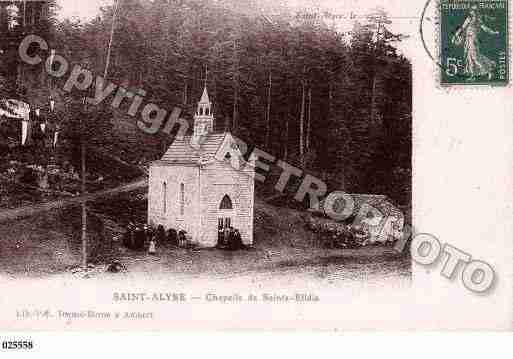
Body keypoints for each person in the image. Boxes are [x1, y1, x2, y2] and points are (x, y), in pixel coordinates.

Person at [452, 7, 500, 80]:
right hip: (468, 40)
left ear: (476, 11)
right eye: (472, 10)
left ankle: (489, 70)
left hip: (473, 39)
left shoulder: (478, 19)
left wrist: (493, 32)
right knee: (469, 58)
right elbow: (462, 27)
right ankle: (472, 75)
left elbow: (485, 28)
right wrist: (456, 35)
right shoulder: (469, 18)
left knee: (475, 57)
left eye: (475, 11)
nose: (473, 12)